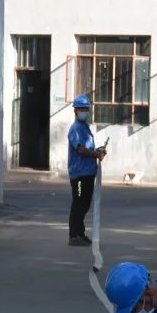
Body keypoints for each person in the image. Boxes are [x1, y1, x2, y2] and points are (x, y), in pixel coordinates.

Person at [67, 95, 106, 246]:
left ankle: (80, 233)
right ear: (75, 111)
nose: (85, 112)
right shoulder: (76, 129)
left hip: (88, 172)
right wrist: (96, 155)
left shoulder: (85, 128)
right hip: (79, 174)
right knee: (78, 203)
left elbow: (88, 148)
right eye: (81, 109)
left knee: (84, 204)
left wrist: (98, 151)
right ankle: (74, 236)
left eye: (86, 109)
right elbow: (81, 149)